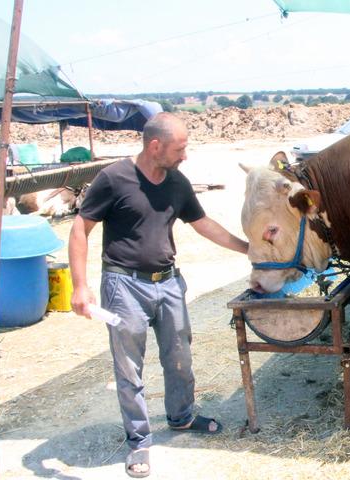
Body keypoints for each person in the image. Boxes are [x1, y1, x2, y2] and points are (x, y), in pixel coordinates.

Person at [69, 112, 249, 478]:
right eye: (179, 148)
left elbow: (204, 225)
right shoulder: (114, 179)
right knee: (129, 366)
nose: (185, 155)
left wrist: (249, 249)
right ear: (155, 146)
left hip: (168, 283)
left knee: (179, 355)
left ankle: (182, 417)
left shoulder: (177, 183)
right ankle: (138, 441)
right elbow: (79, 229)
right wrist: (79, 286)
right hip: (123, 285)